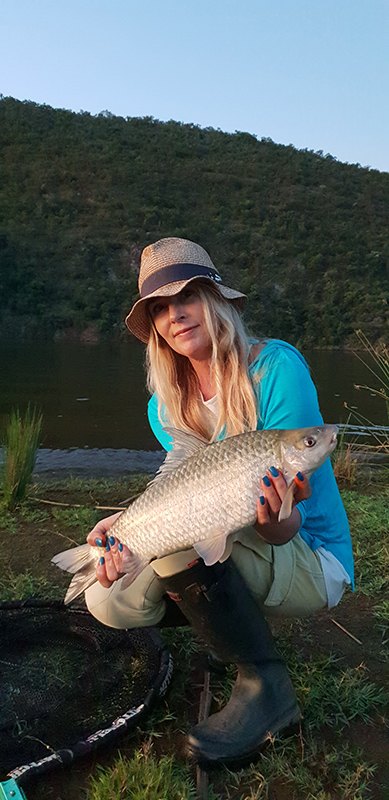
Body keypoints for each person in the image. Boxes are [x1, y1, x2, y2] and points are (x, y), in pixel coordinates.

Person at [84, 237, 354, 766]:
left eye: (187, 295)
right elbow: (178, 487)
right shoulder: (164, 406)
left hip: (308, 552)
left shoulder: (276, 369)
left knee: (172, 548)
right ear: (154, 327)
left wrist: (174, 530)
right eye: (160, 308)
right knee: (107, 600)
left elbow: (281, 526)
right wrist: (124, 523)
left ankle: (265, 687)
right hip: (222, 536)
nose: (175, 314)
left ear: (216, 299)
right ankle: (223, 622)